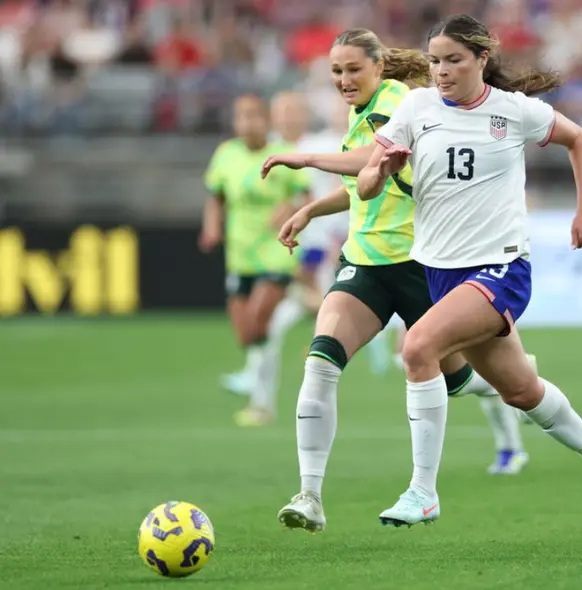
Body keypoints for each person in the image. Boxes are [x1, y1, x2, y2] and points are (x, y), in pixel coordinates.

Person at [354, 14, 582, 526]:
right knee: (522, 391)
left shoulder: (513, 111)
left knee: (416, 347)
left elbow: (579, 140)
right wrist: (382, 168)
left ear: (482, 59)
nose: (441, 70)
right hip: (441, 273)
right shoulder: (415, 108)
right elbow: (368, 184)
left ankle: (422, 491)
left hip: (501, 266)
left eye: (454, 60)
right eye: (435, 60)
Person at [266, 27, 532, 534]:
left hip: (420, 264)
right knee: (321, 362)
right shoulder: (360, 110)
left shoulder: (398, 101)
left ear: (377, 67)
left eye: (352, 70)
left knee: (462, 380)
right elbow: (365, 186)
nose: (344, 80)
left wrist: (305, 158)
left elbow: (372, 160)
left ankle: (506, 394)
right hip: (366, 264)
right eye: (336, 73)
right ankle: (310, 496)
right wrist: (312, 211)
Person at [220, 92, 350, 397]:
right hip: (278, 247)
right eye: (283, 110)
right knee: (279, 322)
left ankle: (259, 386)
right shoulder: (269, 149)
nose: (289, 116)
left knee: (295, 315)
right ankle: (259, 394)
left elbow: (347, 181)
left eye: (294, 109)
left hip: (313, 243)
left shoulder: (322, 145)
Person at [199, 94, 310, 427]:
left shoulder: (285, 155)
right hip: (240, 255)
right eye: (241, 117)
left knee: (261, 316)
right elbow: (216, 196)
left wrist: (289, 208)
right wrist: (211, 226)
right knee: (247, 332)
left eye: (254, 117)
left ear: (267, 121)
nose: (247, 123)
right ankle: (259, 387)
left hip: (277, 251)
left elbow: (306, 196)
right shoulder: (226, 155)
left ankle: (258, 390)